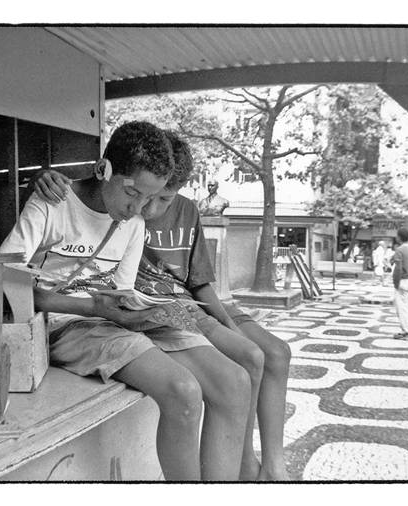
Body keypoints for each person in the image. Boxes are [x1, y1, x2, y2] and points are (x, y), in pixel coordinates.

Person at [31, 129, 290, 481]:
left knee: (243, 373)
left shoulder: (155, 213)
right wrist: (50, 179)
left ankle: (262, 470)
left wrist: (214, 321)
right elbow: (18, 282)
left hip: (154, 308)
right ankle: (247, 469)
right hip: (100, 316)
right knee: (204, 380)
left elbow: (190, 284)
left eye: (158, 198)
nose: (144, 208)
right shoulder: (75, 203)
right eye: (135, 195)